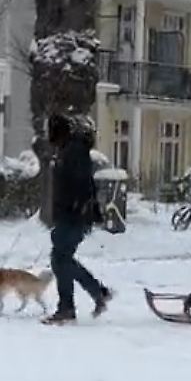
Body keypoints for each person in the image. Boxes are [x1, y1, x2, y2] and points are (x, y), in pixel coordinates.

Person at [42, 113, 113, 325]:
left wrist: (75, 208)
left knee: (60, 259)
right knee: (62, 259)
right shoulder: (67, 150)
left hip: (75, 216)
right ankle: (97, 293)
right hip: (70, 215)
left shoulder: (74, 152)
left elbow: (82, 185)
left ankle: (68, 307)